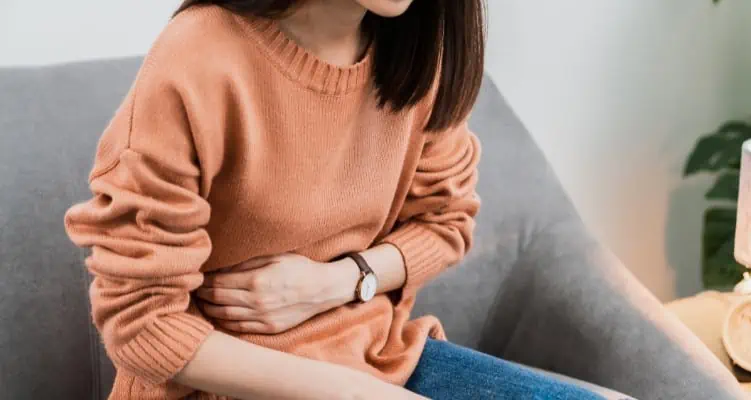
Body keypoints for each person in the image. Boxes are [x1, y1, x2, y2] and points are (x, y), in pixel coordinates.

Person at [64, 1, 603, 399]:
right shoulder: (199, 56)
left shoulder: (419, 54)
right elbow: (143, 326)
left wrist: (338, 281)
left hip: (380, 359)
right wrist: (353, 394)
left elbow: (446, 222)